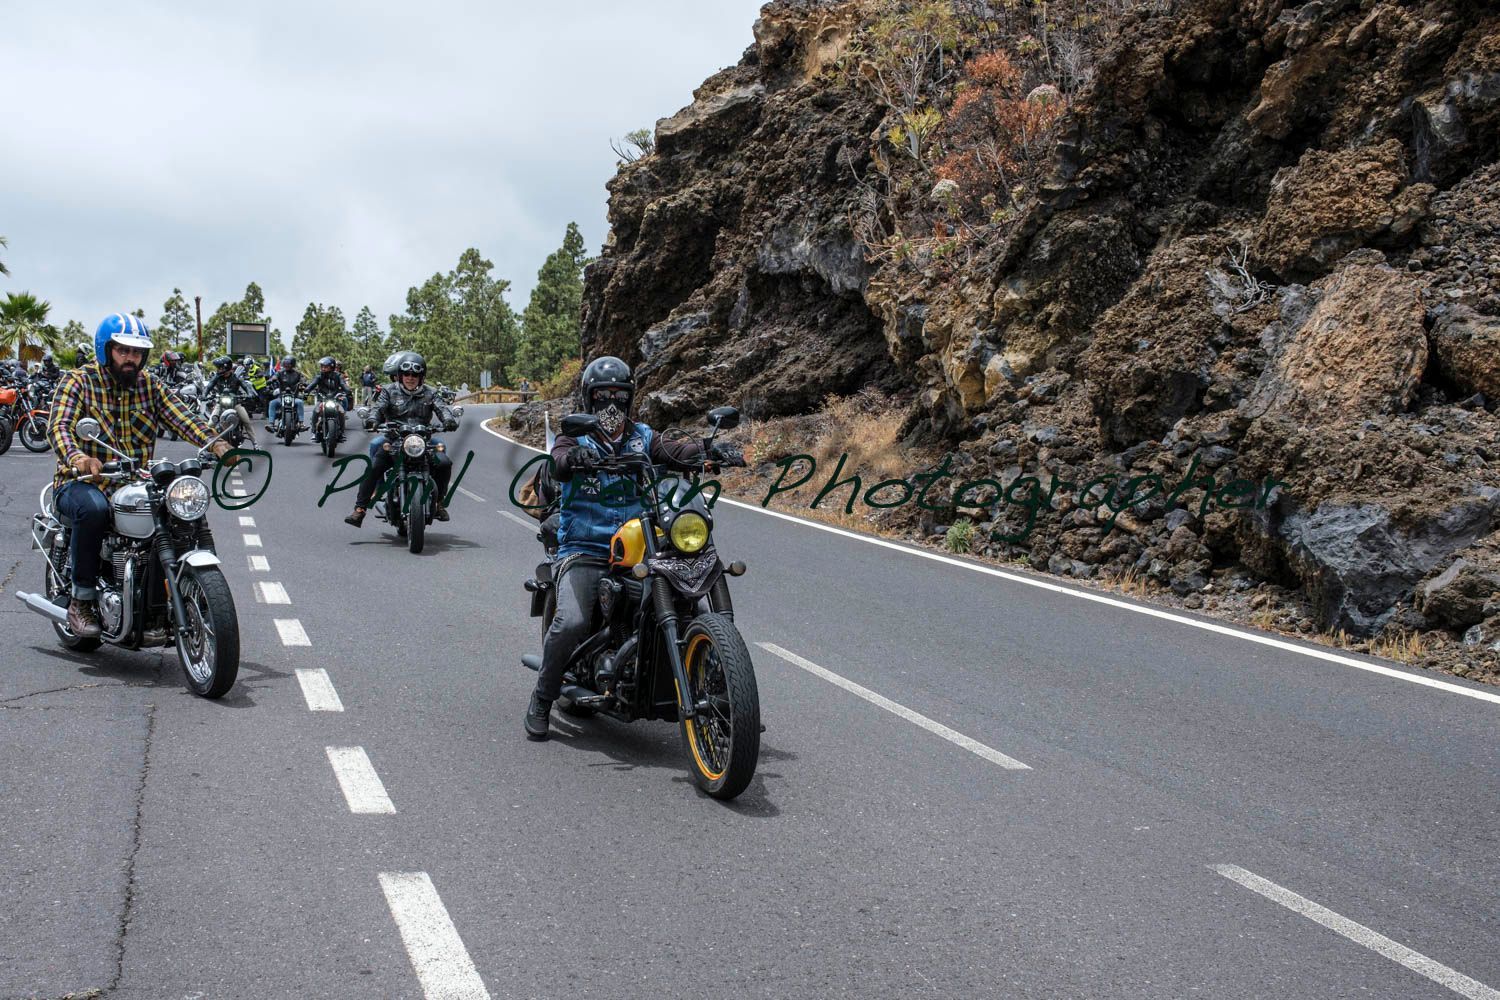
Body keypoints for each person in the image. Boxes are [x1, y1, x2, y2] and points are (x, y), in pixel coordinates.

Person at [523, 355, 743, 741]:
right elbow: (558, 461)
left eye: (618, 396)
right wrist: (575, 458)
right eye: (602, 395)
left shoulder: (643, 436)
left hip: (641, 543)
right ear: (589, 399)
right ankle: (542, 698)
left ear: (629, 398)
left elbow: (675, 451)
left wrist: (712, 451)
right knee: (572, 620)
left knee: (690, 590)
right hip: (586, 545)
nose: (611, 404)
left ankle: (732, 698)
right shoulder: (574, 436)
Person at [47, 314, 236, 637]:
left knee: (179, 514)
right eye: (123, 351)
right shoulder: (79, 381)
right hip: (82, 482)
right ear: (106, 351)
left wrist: (217, 444)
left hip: (135, 483)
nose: (131, 359)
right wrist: (78, 457)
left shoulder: (149, 385)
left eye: (136, 353)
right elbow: (60, 426)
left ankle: (162, 597)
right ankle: (82, 600)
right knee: (93, 510)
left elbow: (182, 417)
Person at [344, 351, 457, 528]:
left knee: (444, 463)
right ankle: (360, 509)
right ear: (399, 375)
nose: (410, 378)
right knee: (374, 467)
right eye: (406, 374)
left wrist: (449, 420)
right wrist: (373, 420)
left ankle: (438, 502)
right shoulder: (389, 391)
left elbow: (442, 408)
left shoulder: (431, 393)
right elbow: (378, 408)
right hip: (395, 440)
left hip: (423, 441)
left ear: (422, 376)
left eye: (415, 374)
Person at [204, 355, 259, 447]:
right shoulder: (217, 377)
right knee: (210, 423)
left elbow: (245, 386)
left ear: (226, 368)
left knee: (246, 421)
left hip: (235, 404)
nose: (218, 370)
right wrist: (204, 395)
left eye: (220, 368)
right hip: (220, 404)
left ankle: (255, 444)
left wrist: (249, 393)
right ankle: (205, 444)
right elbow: (209, 386)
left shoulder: (236, 377)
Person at [309, 357, 351, 440]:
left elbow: (343, 384)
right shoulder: (319, 376)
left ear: (331, 367)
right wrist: (307, 390)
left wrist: (347, 390)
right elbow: (312, 384)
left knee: (341, 412)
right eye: (322, 366)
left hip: (335, 399)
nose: (323, 368)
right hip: (322, 399)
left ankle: (342, 432)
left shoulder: (338, 376)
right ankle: (314, 431)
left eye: (325, 366)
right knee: (315, 411)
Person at [265, 356, 308, 432]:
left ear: (293, 364)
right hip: (281, 397)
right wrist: (272, 379)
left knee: (300, 402)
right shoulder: (280, 372)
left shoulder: (297, 373)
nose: (287, 366)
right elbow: (275, 376)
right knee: (272, 403)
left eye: (289, 364)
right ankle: (271, 424)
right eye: (285, 364)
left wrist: (304, 382)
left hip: (294, 397)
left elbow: (303, 379)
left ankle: (301, 424)